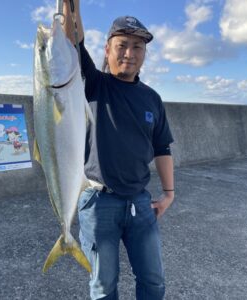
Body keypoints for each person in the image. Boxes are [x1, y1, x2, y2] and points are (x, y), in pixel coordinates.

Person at [62, 1, 175, 299]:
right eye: (122, 45)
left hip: (141, 202)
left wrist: (169, 193)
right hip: (99, 202)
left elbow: (162, 147)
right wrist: (69, 5)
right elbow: (72, 41)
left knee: (153, 281)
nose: (130, 53)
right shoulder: (94, 84)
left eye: (138, 47)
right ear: (108, 49)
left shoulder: (152, 98)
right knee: (103, 285)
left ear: (145, 53)